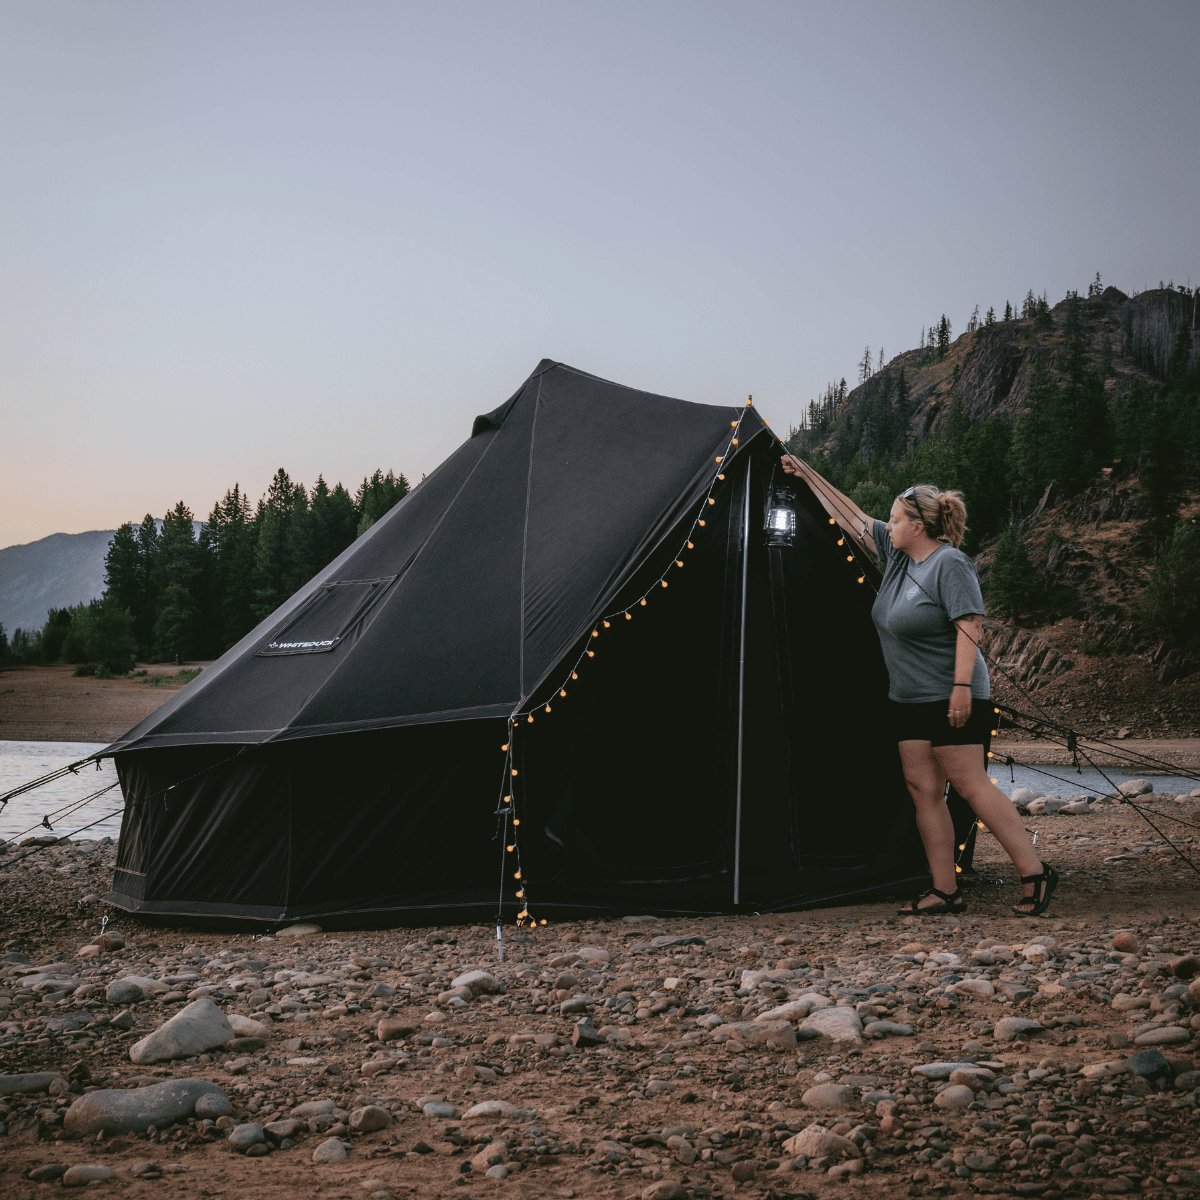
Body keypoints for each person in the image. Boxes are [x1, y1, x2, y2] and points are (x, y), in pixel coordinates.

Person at [781, 455, 1057, 917]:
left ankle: (1034, 873)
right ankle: (945, 890)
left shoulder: (949, 564)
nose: (887, 525)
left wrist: (961, 687)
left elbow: (971, 624)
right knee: (921, 787)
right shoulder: (896, 557)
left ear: (919, 525)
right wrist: (805, 473)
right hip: (907, 697)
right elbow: (848, 514)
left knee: (969, 785)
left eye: (894, 518)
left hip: (952, 693)